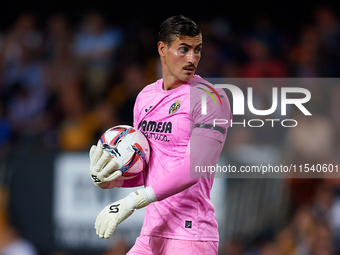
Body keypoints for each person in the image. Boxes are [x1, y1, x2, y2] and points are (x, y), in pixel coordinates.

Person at [89, 15, 232, 255]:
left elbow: (192, 168)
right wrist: (112, 179)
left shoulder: (211, 99)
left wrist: (133, 201)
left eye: (197, 50)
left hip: (190, 235)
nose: (192, 58)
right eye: (184, 49)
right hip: (152, 233)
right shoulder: (145, 96)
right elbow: (147, 169)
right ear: (162, 49)